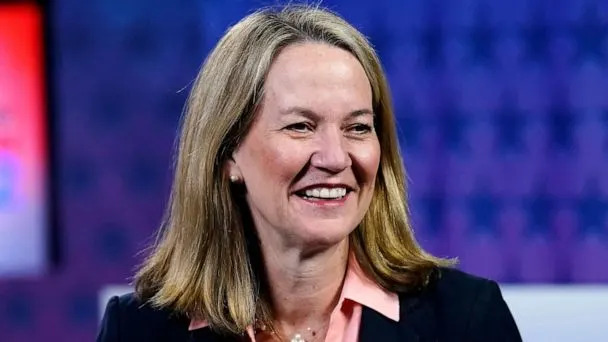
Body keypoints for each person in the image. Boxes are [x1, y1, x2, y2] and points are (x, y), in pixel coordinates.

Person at [97, 4, 521, 342]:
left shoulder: (466, 319)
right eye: (300, 126)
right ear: (227, 155)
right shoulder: (138, 330)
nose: (336, 158)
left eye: (358, 128)